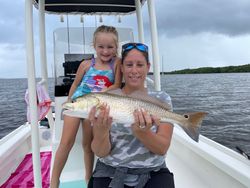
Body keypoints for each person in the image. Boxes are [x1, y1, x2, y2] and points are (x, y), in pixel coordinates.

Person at [88, 42, 175, 188]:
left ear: (148, 67)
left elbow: (162, 149)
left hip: (152, 171)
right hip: (110, 171)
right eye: (129, 65)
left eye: (139, 65)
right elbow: (100, 152)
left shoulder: (162, 99)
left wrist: (142, 133)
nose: (134, 70)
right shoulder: (105, 99)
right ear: (121, 67)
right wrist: (101, 131)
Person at [50, 25, 122, 188]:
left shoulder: (116, 63)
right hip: (78, 103)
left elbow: (117, 84)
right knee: (66, 142)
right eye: (101, 47)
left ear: (116, 47)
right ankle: (54, 180)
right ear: (94, 46)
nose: (105, 51)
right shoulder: (86, 64)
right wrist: (68, 103)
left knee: (87, 144)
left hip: (95, 108)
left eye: (110, 47)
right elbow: (75, 85)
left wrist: (106, 90)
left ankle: (88, 177)